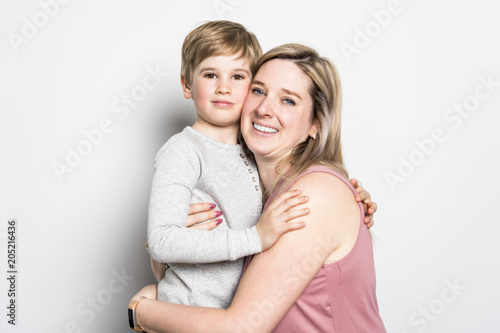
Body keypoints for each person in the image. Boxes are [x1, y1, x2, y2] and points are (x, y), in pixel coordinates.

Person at [130, 43, 385, 332]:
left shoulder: (311, 196)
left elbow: (240, 328)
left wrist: (142, 311)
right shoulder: (255, 200)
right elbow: (194, 282)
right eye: (259, 91)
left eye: (288, 101)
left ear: (315, 124)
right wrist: (167, 238)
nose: (265, 109)